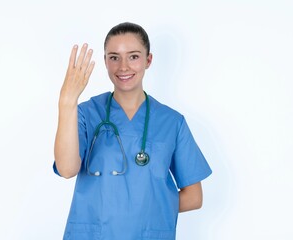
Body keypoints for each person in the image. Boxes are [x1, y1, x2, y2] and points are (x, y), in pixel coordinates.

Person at [53, 22, 212, 240]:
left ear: (148, 60)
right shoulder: (86, 113)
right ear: (105, 62)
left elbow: (194, 197)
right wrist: (67, 101)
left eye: (134, 56)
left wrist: (139, 213)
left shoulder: (172, 122)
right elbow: (66, 169)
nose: (123, 67)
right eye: (114, 57)